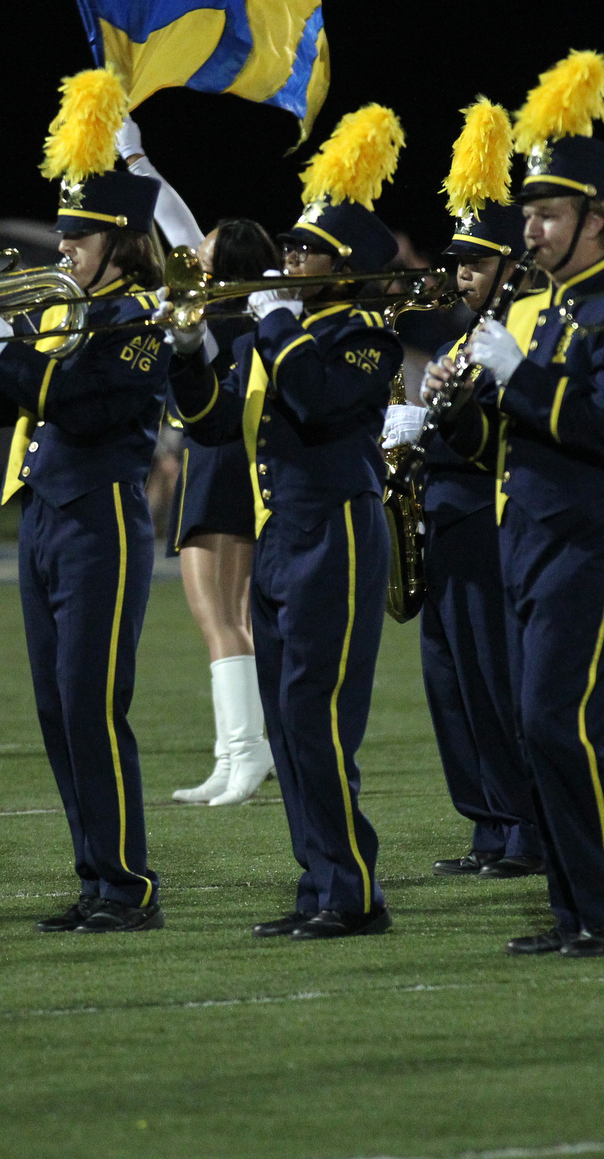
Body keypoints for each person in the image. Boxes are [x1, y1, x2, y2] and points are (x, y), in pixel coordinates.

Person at [428, 53, 604, 958]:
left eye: (547, 215)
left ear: (597, 222)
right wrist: (449, 415)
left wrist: (518, 379)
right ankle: (584, 908)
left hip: (589, 541)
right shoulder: (558, 314)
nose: (528, 231)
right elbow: (507, 441)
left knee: (559, 724)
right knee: (548, 731)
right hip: (527, 539)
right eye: (528, 214)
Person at [165, 104, 407, 940]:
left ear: (343, 271)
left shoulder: (365, 337)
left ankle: (351, 891)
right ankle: (320, 881)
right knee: (287, 718)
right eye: (293, 248)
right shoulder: (272, 335)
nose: (291, 259)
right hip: (279, 541)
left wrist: (275, 324)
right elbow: (208, 425)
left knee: (317, 717)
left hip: (336, 535)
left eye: (308, 253)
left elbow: (316, 401)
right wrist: (185, 346)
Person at [0, 73, 175, 933]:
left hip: (103, 519)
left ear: (121, 241)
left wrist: (13, 357)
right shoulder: (64, 310)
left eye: (78, 237)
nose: (63, 250)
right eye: (62, 236)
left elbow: (89, 403)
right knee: (56, 710)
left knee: (92, 705)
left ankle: (127, 884)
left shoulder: (138, 317)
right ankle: (95, 876)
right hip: (44, 519)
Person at [384, 97, 544, 879]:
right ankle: (485, 821)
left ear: (509, 268)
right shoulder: (461, 336)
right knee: (449, 681)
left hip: (488, 519)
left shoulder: (521, 332)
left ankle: (522, 828)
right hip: (443, 519)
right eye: (458, 266)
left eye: (475, 266)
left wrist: (447, 412)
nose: (460, 278)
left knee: (493, 675)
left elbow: (499, 437)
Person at [164, 216, 278, 806]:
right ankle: (230, 753)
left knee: (223, 620)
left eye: (203, 254)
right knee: (227, 621)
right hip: (217, 464)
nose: (192, 258)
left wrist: (138, 164)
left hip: (220, 465)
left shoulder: (226, 319)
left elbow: (172, 220)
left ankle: (248, 749)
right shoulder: (244, 315)